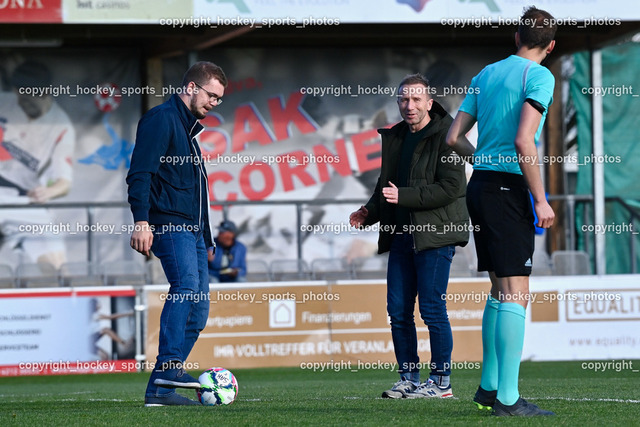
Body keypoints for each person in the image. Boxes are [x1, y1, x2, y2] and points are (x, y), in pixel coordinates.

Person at [446, 6, 557, 417]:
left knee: (499, 289)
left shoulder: (486, 74)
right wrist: (541, 200)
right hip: (508, 188)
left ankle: (488, 390)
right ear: (550, 45)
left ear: (515, 37)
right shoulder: (540, 75)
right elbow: (525, 141)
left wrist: (484, 162)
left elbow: (454, 137)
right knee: (516, 293)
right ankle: (508, 399)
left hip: (481, 186)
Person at [349, 73, 469, 399]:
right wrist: (368, 212)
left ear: (430, 103)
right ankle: (409, 379)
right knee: (398, 311)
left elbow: (452, 188)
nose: (409, 105)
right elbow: (385, 189)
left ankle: (441, 382)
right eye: (403, 99)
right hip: (401, 236)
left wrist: (404, 197)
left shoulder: (447, 134)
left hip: (435, 236)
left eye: (416, 99)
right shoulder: (396, 136)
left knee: (432, 310)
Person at [127, 61, 227, 406]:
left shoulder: (188, 129)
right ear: (191, 88)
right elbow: (140, 174)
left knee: (198, 312)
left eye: (219, 99)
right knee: (184, 288)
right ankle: (169, 372)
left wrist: (208, 237)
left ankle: (161, 390)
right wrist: (141, 221)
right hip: (170, 225)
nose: (214, 103)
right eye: (211, 95)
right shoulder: (161, 119)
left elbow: (198, 191)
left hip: (194, 232)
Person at [0, 60, 75, 268]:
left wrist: (47, 193)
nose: (21, 103)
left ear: (44, 92)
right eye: (18, 96)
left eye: (27, 99)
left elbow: (64, 183)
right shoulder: (5, 102)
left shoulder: (62, 127)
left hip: (24, 200)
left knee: (56, 265)